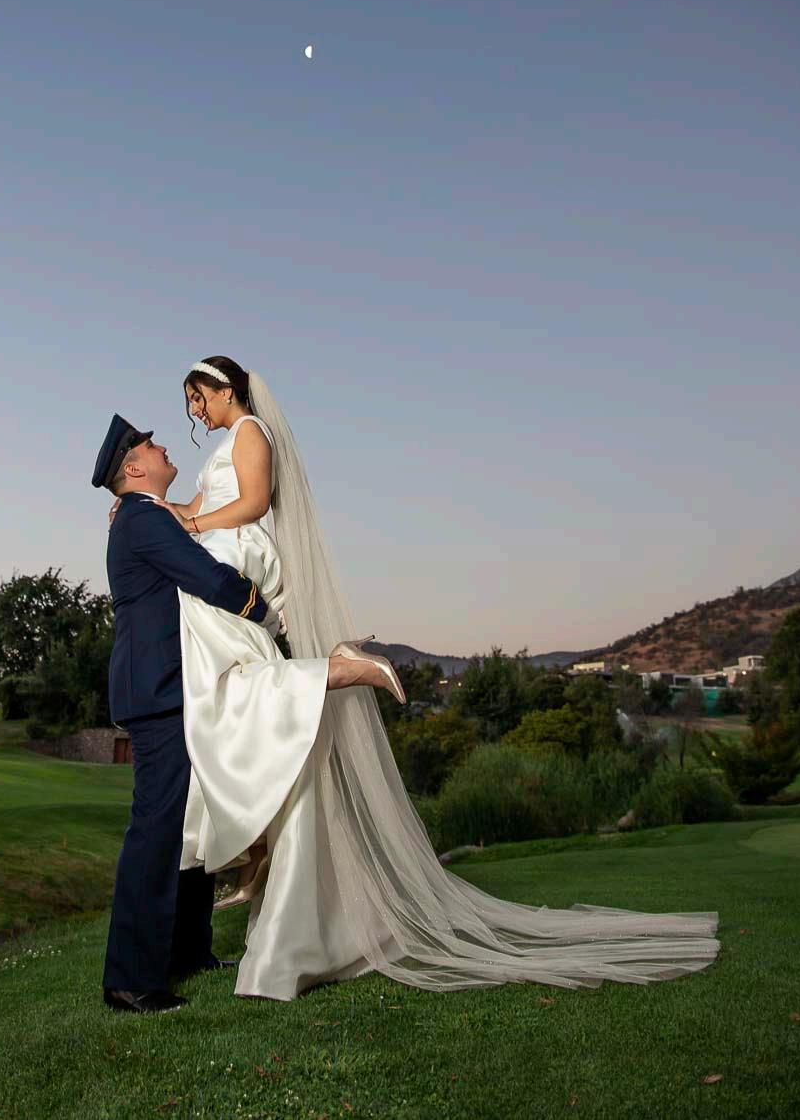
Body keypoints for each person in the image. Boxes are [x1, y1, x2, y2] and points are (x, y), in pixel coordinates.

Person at [148, 357, 720, 1002]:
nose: (194, 411)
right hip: (219, 548)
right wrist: (154, 509)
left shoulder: (252, 431)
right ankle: (258, 830)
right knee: (224, 686)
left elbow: (251, 504)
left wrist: (193, 526)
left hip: (238, 552)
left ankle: (323, 693)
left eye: (197, 398)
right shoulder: (225, 443)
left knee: (230, 675)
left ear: (225, 389)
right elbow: (196, 506)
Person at [92, 413, 275, 1015]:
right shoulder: (142, 519)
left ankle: (188, 950)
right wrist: (263, 609)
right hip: (158, 691)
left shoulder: (148, 516)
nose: (164, 445)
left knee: (192, 819)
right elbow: (205, 578)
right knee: (156, 827)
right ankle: (130, 978)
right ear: (133, 468)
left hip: (176, 687)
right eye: (151, 445)